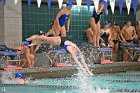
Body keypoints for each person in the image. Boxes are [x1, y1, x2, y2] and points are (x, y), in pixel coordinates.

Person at [26, 35, 93, 76]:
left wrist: (88, 71)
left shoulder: (75, 49)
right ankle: (28, 40)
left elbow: (82, 61)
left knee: (44, 40)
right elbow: (78, 62)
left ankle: (32, 43)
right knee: (43, 38)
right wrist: (84, 71)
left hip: (60, 40)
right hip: (58, 40)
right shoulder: (72, 51)